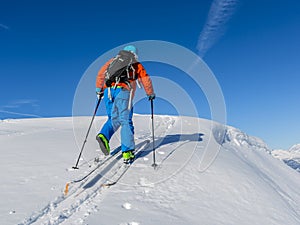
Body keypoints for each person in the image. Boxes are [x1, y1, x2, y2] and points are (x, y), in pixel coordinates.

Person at [95, 45, 155, 163]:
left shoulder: (112, 60)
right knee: (125, 120)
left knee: (113, 118)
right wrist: (150, 93)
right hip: (122, 91)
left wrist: (99, 89)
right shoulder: (135, 64)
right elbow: (145, 78)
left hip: (108, 91)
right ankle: (127, 151)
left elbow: (101, 73)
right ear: (135, 54)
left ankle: (104, 135)